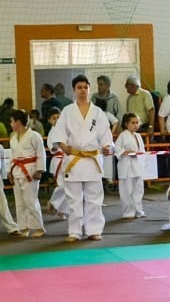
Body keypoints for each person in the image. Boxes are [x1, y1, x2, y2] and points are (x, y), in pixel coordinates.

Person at [47, 74, 114, 242]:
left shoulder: (98, 112)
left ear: (89, 89)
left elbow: (107, 136)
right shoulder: (68, 112)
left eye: (85, 87)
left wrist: (107, 147)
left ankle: (94, 230)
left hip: (92, 160)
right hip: (74, 160)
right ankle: (75, 231)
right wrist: (64, 147)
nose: (82, 90)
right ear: (74, 90)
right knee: (74, 199)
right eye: (79, 87)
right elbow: (58, 134)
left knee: (94, 198)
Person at [7, 109, 47, 237]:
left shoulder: (34, 136)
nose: (11, 124)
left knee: (30, 201)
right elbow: (13, 156)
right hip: (17, 170)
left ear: (18, 122)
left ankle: (39, 228)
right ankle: (23, 228)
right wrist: (9, 171)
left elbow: (41, 153)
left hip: (30, 171)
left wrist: (39, 170)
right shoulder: (13, 138)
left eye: (12, 121)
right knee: (19, 202)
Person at [115, 112, 147, 219]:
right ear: (126, 124)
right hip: (126, 166)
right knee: (127, 190)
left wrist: (138, 154)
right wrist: (125, 152)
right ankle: (128, 212)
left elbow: (142, 150)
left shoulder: (138, 136)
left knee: (138, 189)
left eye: (137, 123)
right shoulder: (122, 135)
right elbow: (117, 149)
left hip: (137, 165)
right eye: (133, 123)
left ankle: (138, 210)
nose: (135, 125)